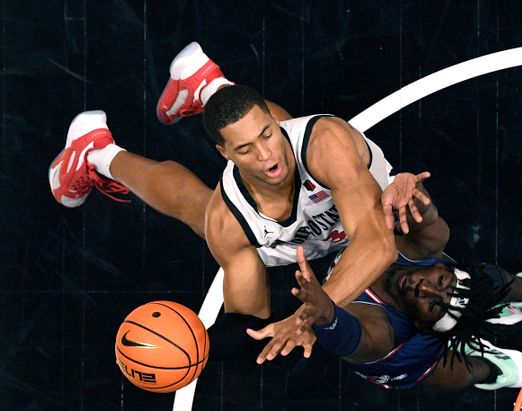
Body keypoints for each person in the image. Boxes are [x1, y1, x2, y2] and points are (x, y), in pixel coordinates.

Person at [48, 42, 430, 358]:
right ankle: (96, 152)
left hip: (340, 206)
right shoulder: (229, 221)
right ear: (224, 154)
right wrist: (186, 351)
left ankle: (208, 86)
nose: (265, 156)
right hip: (283, 237)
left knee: (295, 150)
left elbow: (379, 245)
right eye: (244, 149)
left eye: (267, 134)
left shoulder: (323, 143)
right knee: (194, 208)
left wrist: (307, 318)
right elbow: (247, 323)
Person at [249, 182, 522, 390]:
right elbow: (432, 228)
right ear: (443, 268)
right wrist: (417, 202)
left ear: (423, 323)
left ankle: (498, 349)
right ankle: (511, 332)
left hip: (397, 350)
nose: (423, 287)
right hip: (420, 336)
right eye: (441, 281)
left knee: (459, 368)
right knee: (487, 285)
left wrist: (325, 314)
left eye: (434, 304)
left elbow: (351, 339)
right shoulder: (422, 251)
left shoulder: (381, 332)